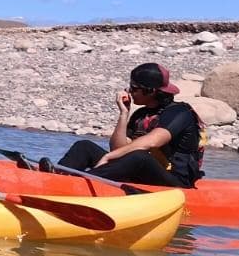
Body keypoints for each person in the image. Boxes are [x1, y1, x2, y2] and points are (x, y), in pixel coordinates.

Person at [54, 63, 205, 187]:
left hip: (176, 181)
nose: (128, 91)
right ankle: (55, 178)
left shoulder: (180, 112)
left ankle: (78, 184)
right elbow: (119, 149)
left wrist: (108, 157)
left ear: (151, 91)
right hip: (142, 172)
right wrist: (123, 113)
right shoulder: (141, 115)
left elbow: (153, 141)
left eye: (134, 88)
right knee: (84, 146)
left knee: (139, 157)